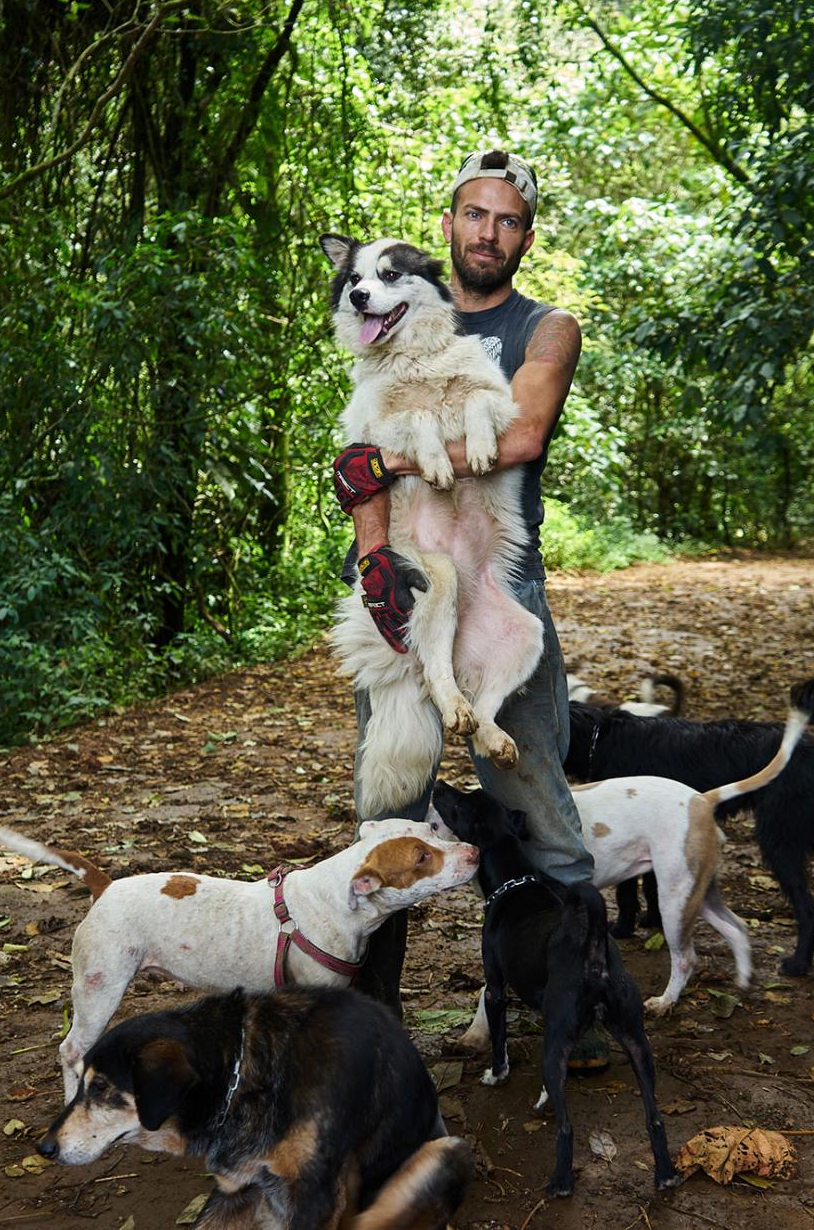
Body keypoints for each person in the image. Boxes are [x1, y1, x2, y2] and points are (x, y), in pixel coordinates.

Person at [330, 149, 595, 1016]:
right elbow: (354, 460)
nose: (489, 231)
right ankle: (372, 1013)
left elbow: (517, 438)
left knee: (533, 794)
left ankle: (573, 1001)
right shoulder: (386, 324)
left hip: (495, 576)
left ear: (525, 234)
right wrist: (373, 555)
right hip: (406, 572)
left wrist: (393, 458)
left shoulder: (545, 327)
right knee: (391, 802)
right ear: (447, 227)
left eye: (507, 219)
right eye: (474, 214)